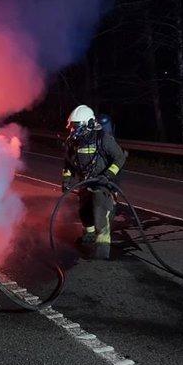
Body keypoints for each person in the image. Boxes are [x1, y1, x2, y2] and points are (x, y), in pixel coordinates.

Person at [61, 105, 126, 260]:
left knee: (100, 213)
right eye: (73, 127)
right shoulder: (74, 142)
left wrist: (108, 175)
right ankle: (89, 236)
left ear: (89, 124)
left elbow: (119, 158)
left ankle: (102, 250)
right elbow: (68, 163)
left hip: (103, 183)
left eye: (77, 127)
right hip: (86, 182)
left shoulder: (103, 139)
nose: (73, 131)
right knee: (84, 211)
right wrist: (66, 180)